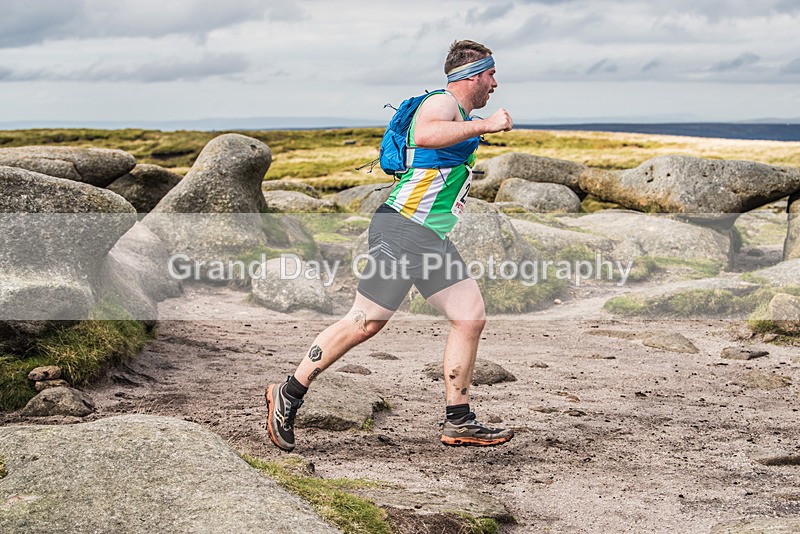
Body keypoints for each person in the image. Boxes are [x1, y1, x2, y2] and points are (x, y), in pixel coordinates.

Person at [265, 39, 514, 451]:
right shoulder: (441, 102)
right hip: (401, 229)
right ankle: (288, 393)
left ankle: (459, 420)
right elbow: (427, 132)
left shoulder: (459, 112)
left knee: (469, 317)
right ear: (471, 76)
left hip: (427, 236)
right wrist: (485, 125)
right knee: (365, 321)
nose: (495, 83)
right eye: (490, 74)